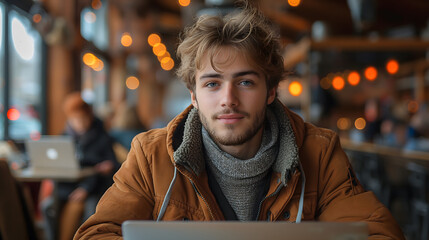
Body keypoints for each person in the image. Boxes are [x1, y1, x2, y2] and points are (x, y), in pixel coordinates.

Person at [75, 4, 404, 239]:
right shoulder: (150, 157)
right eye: (212, 84)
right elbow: (97, 233)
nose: (228, 99)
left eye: (245, 82)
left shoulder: (318, 153)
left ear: (271, 91)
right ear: (193, 94)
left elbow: (378, 232)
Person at [41, 92, 119, 240]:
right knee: (48, 207)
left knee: (91, 210)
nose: (80, 123)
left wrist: (86, 188)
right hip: (68, 187)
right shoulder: (63, 138)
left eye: (83, 119)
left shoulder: (103, 138)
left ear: (90, 117)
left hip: (94, 187)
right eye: (75, 119)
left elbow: (113, 165)